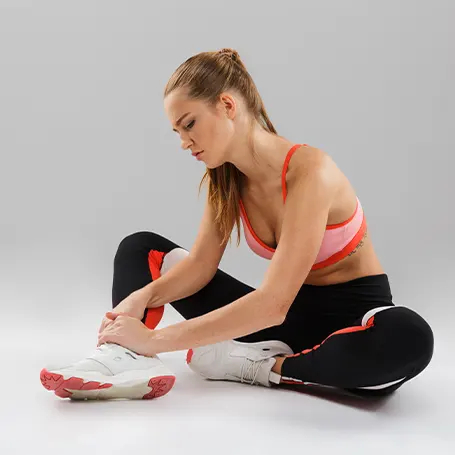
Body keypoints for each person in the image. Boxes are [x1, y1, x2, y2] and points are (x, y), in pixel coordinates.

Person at [40, 48, 434, 401]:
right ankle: (123, 359)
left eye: (189, 123)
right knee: (139, 247)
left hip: (354, 324)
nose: (183, 142)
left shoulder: (310, 171)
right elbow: (199, 268)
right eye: (177, 131)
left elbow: (272, 303)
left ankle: (257, 368)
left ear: (227, 105)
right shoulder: (225, 178)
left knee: (410, 339)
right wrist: (145, 296)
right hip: (283, 328)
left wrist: (156, 337)